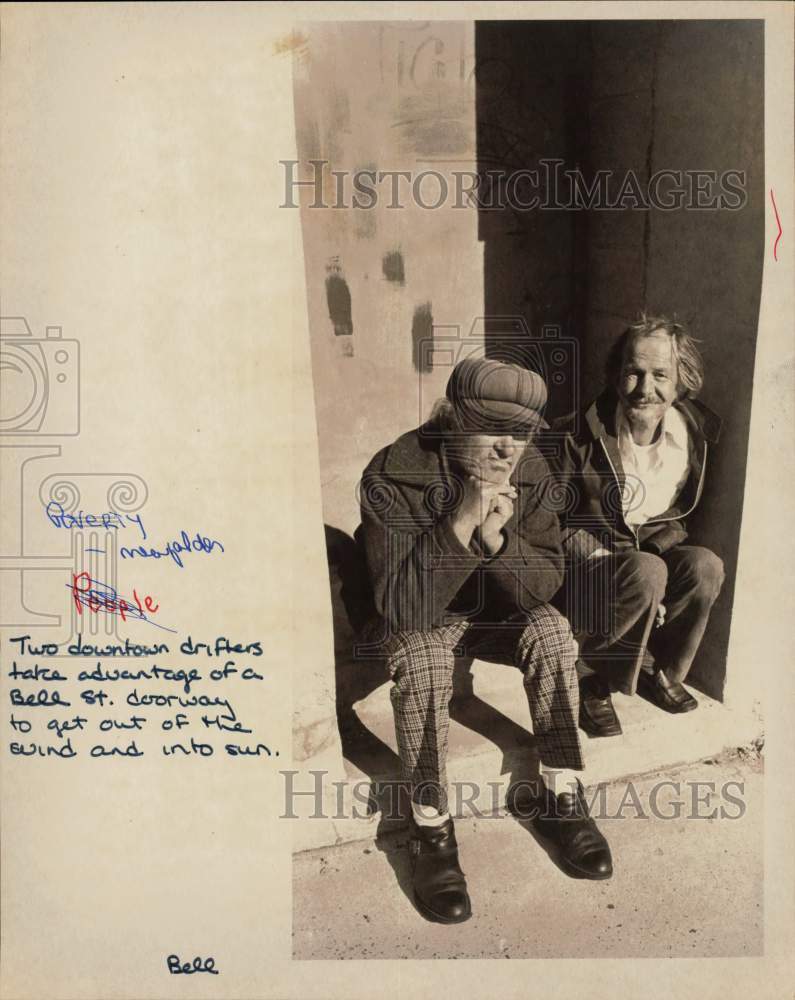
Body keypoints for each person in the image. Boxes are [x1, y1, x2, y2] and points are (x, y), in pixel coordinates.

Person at [354, 357, 612, 925]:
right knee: (422, 662)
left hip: (493, 612)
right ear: (450, 420)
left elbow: (542, 586)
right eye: (491, 429)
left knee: (551, 631)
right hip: (418, 615)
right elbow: (402, 607)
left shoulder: (535, 470)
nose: (507, 448)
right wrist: (462, 521)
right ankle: (431, 828)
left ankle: (561, 795)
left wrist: (497, 545)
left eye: (520, 433)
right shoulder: (391, 473)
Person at [549, 315, 725, 738]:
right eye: (633, 373)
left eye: (660, 375)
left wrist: (655, 561)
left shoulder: (693, 436)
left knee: (706, 566)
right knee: (647, 572)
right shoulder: (576, 435)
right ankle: (589, 674)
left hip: (646, 561)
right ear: (615, 376)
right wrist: (629, 564)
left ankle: (654, 667)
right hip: (584, 572)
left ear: (682, 380)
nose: (646, 389)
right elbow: (549, 523)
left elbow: (680, 518)